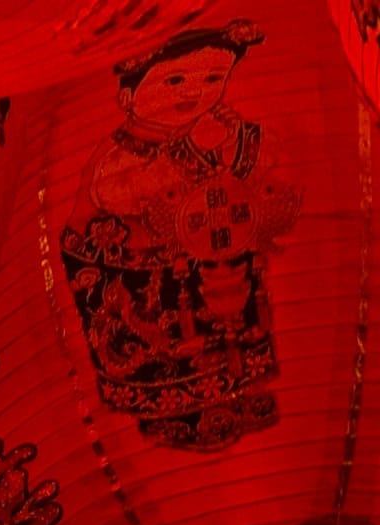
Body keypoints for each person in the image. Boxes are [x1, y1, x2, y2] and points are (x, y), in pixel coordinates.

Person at [60, 22, 300, 451]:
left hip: (205, 264)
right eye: (174, 80)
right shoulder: (123, 153)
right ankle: (170, 410)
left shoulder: (211, 133)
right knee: (169, 349)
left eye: (212, 79)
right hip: (137, 275)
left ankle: (232, 392)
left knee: (226, 332)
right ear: (128, 97)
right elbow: (123, 198)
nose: (195, 91)